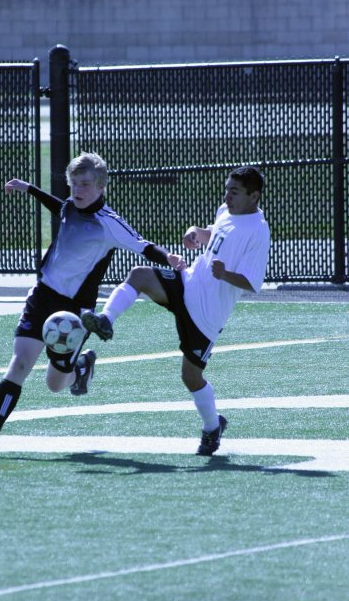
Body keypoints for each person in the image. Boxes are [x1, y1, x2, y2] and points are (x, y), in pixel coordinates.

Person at [0, 151, 184, 459]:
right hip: (43, 296)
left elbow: (142, 245)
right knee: (20, 363)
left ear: (101, 186)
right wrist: (28, 188)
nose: (77, 190)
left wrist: (169, 258)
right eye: (74, 183)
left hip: (75, 311)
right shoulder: (70, 207)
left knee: (55, 383)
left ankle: (80, 367)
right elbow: (59, 208)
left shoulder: (109, 223)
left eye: (85, 184)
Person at [82, 166, 271, 456]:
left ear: (254, 195)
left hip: (207, 315)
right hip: (189, 283)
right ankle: (105, 320)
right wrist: (196, 233)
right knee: (140, 275)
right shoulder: (226, 210)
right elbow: (215, 235)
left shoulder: (258, 231)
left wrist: (226, 275)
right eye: (227, 189)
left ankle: (212, 428)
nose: (227, 195)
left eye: (234, 191)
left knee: (190, 377)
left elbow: (252, 282)